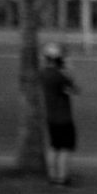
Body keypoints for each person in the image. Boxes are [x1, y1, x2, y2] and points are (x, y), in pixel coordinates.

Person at [39, 41, 78, 185]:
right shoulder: (59, 76)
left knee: (54, 146)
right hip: (64, 118)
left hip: (51, 117)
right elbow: (74, 90)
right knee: (65, 148)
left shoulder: (44, 73)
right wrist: (69, 70)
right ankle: (62, 178)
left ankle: (52, 176)